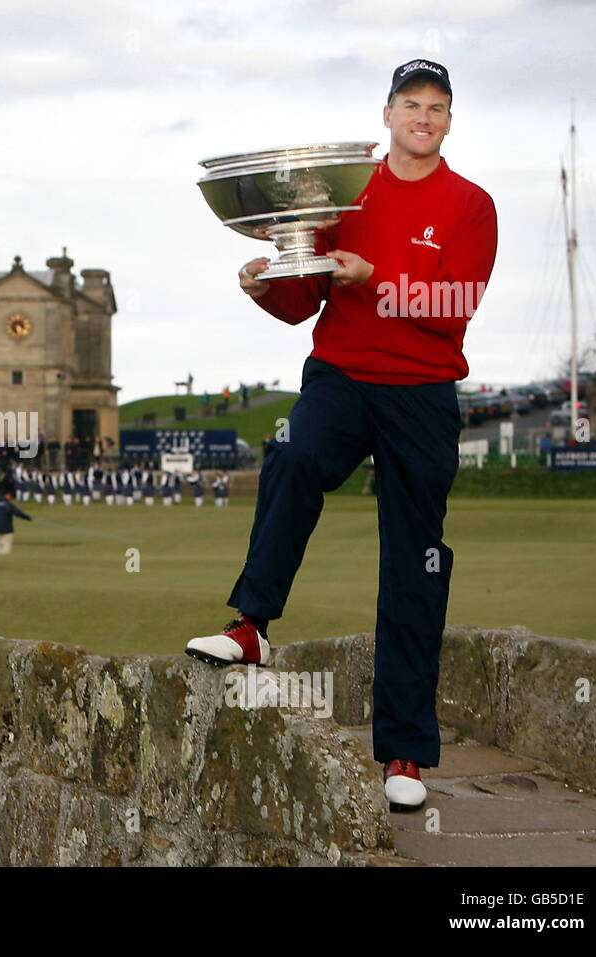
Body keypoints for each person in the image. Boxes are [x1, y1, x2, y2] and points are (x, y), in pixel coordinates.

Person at [184, 59, 497, 814]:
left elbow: (454, 303)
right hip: (343, 376)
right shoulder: (346, 188)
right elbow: (304, 298)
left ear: (448, 122)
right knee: (292, 454)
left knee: (415, 560)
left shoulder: (470, 204)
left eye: (437, 108)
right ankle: (252, 624)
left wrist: (374, 277)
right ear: (387, 114)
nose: (423, 117)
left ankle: (404, 753)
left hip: (422, 390)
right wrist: (267, 285)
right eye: (411, 104)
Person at [0, 491, 32, 555]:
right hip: (7, 528)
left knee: (0, 542)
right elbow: (18, 513)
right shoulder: (8, 504)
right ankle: (3, 558)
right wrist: (27, 518)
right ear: (6, 495)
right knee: (6, 544)